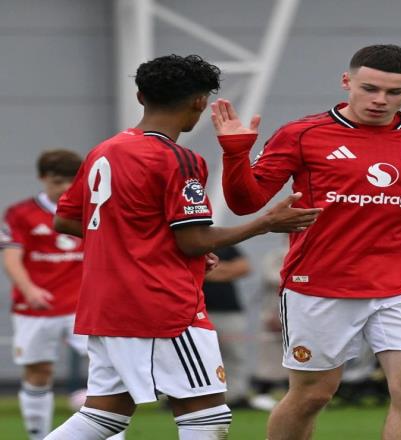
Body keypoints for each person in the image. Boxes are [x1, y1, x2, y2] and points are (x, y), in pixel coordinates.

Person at [44, 54, 321, 440]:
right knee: (208, 417)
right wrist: (266, 223)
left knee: (104, 417)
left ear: (141, 97)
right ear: (200, 102)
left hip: (104, 303)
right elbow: (193, 242)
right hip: (160, 304)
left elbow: (65, 220)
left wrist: (150, 244)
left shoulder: (105, 150)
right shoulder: (177, 159)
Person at [210, 44, 401, 440]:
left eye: (394, 92)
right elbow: (246, 202)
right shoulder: (301, 134)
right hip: (321, 284)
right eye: (370, 88)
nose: (380, 100)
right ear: (347, 81)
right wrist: (235, 153)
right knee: (312, 395)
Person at [0, 150, 87, 440]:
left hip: (84, 307)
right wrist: (30, 290)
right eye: (58, 181)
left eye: (72, 182)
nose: (65, 188)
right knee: (39, 371)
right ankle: (39, 436)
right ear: (43, 178)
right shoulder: (20, 213)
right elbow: (11, 258)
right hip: (36, 308)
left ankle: (111, 435)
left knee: (107, 369)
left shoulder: (90, 210)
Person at [203, 245, 252, 407]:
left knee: (235, 354)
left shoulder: (224, 244)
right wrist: (225, 270)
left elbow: (244, 268)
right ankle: (190, 397)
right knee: (196, 357)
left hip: (229, 311)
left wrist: (207, 272)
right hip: (195, 312)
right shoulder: (186, 243)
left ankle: (235, 396)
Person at [249, 244, 289, 411]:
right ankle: (262, 392)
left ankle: (292, 392)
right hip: (274, 312)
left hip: (299, 315)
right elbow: (273, 279)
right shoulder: (276, 256)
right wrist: (271, 314)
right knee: (270, 356)